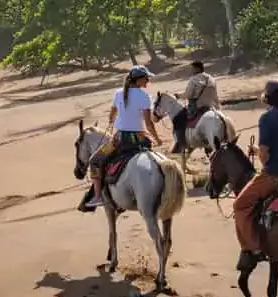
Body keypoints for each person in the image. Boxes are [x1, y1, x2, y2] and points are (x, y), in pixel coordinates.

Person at [232, 78, 278, 269]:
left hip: (275, 174)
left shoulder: (266, 118)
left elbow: (265, 155)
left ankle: (253, 248)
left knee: (240, 204)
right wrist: (257, 150)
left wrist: (260, 157)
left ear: (267, 98)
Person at [80, 66, 163, 212]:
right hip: (140, 138)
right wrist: (157, 139)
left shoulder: (118, 93)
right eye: (146, 78)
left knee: (95, 161)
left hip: (120, 139)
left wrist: (112, 121)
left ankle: (98, 196)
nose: (148, 80)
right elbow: (149, 124)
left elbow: (112, 114)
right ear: (138, 80)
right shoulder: (144, 97)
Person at [172, 60, 220, 146]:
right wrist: (217, 105)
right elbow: (215, 95)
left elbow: (188, 94)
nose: (191, 70)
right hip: (211, 106)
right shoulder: (211, 78)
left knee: (178, 119)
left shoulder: (193, 79)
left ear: (197, 68)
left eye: (192, 68)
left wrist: (178, 96)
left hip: (197, 107)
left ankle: (181, 143)